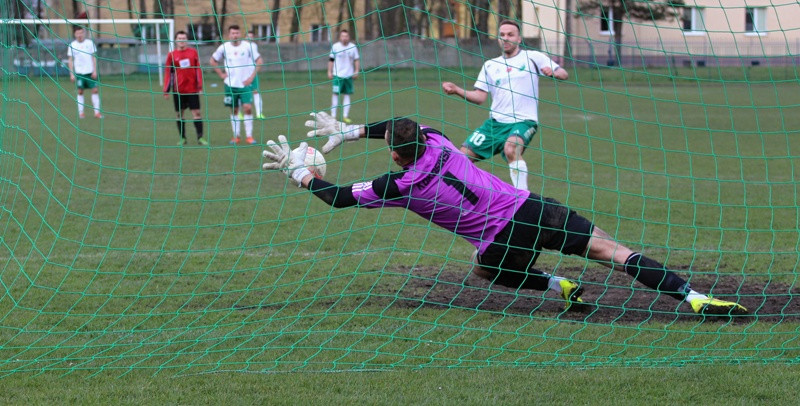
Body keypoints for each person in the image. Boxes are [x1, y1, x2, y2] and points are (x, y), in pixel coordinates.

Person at [261, 112, 748, 317]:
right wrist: (352, 129)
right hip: (532, 209)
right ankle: (696, 298)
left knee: (484, 272)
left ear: (394, 154)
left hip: (499, 242)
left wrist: (297, 172)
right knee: (611, 249)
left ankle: (558, 286)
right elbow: (399, 124)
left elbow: (341, 198)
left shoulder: (398, 185)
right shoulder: (437, 139)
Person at [442, 19, 568, 191]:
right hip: (495, 124)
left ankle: (523, 198)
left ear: (518, 39)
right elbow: (479, 97)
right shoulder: (490, 65)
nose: (506, 38)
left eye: (510, 34)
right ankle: (473, 197)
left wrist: (553, 72)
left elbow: (563, 73)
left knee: (511, 148)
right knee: (460, 159)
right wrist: (457, 90)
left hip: (524, 121)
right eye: (502, 35)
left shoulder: (533, 57)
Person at [209, 24, 263, 145]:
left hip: (245, 84)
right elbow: (212, 60)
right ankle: (236, 136)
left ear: (240, 34)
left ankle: (249, 136)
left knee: (248, 108)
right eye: (233, 33)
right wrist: (221, 74)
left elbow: (259, 61)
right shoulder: (224, 47)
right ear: (229, 35)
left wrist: (251, 77)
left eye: (237, 33)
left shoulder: (248, 46)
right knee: (234, 110)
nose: (235, 35)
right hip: (230, 84)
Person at [163, 30, 207, 145]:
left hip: (192, 89)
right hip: (178, 90)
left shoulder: (193, 53)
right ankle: (183, 138)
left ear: (186, 40)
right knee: (179, 114)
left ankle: (200, 138)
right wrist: (166, 90)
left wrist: (200, 86)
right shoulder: (171, 55)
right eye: (179, 39)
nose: (182, 41)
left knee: (197, 113)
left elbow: (198, 69)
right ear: (176, 41)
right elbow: (168, 72)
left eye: (183, 39)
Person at [67, 27, 102, 119]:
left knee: (95, 90)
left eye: (81, 33)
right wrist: (71, 73)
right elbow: (70, 60)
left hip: (90, 72)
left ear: (84, 34)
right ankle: (81, 113)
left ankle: (97, 113)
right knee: (80, 91)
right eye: (78, 33)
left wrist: (95, 70)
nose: (80, 35)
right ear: (75, 34)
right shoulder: (72, 45)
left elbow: (93, 57)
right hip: (79, 73)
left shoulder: (90, 43)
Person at [328, 29, 360, 123]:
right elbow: (331, 59)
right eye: (343, 36)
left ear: (349, 37)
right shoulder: (335, 47)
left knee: (347, 95)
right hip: (337, 75)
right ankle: (333, 116)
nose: (344, 38)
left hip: (348, 75)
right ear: (340, 37)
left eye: (346, 36)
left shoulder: (353, 47)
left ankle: (345, 116)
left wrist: (356, 70)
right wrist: (329, 71)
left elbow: (356, 59)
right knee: (335, 94)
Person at [246, 32, 265, 120]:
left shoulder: (253, 46)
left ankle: (259, 113)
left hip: (252, 73)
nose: (250, 38)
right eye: (248, 36)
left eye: (251, 37)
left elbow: (257, 59)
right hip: (242, 73)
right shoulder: (241, 46)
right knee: (241, 93)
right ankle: (239, 114)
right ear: (245, 37)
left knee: (256, 92)